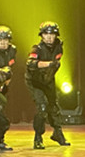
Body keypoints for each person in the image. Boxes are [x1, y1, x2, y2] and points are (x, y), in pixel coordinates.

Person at [26, 21, 71, 149]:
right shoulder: (37, 49)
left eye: (52, 34)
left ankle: (58, 133)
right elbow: (30, 63)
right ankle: (38, 137)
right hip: (35, 81)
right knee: (42, 108)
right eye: (46, 34)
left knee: (54, 106)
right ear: (42, 35)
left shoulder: (59, 47)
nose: (49, 37)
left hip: (48, 80)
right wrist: (48, 64)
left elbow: (57, 61)